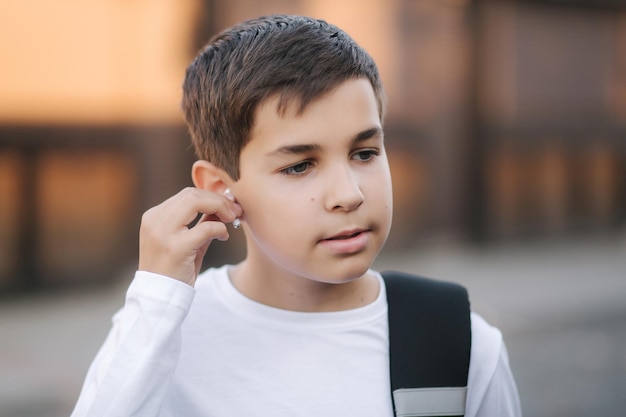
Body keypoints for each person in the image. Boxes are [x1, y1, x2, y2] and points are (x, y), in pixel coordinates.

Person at [71, 14, 521, 417]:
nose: (348, 194)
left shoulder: (455, 340)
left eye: (365, 152)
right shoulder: (162, 335)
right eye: (299, 165)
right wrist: (155, 296)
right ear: (218, 189)